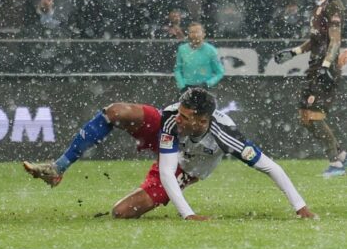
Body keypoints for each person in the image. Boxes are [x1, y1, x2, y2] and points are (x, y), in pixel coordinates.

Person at [23, 88, 315, 220]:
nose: (180, 117)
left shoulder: (227, 136)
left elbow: (270, 167)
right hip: (168, 150)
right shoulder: (173, 121)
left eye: (187, 116)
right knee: (116, 111)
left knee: (121, 213)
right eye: (181, 111)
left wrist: (300, 207)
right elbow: (165, 166)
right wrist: (188, 215)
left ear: (203, 121)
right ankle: (58, 167)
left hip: (185, 168)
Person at [275, 0, 347, 177]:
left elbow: (335, 41)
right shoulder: (320, 6)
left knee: (314, 116)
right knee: (305, 117)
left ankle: (335, 163)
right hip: (314, 67)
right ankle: (341, 156)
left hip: (325, 68)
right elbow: (315, 40)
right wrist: (294, 52)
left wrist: (326, 66)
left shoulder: (334, 5)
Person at [173, 22, 224, 90]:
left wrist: (208, 83)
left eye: (197, 32)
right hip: (186, 88)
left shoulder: (211, 50)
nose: (195, 35)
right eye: (192, 32)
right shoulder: (182, 49)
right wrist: (182, 85)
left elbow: (220, 72)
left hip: (205, 89)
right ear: (188, 34)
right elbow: (177, 70)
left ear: (203, 34)